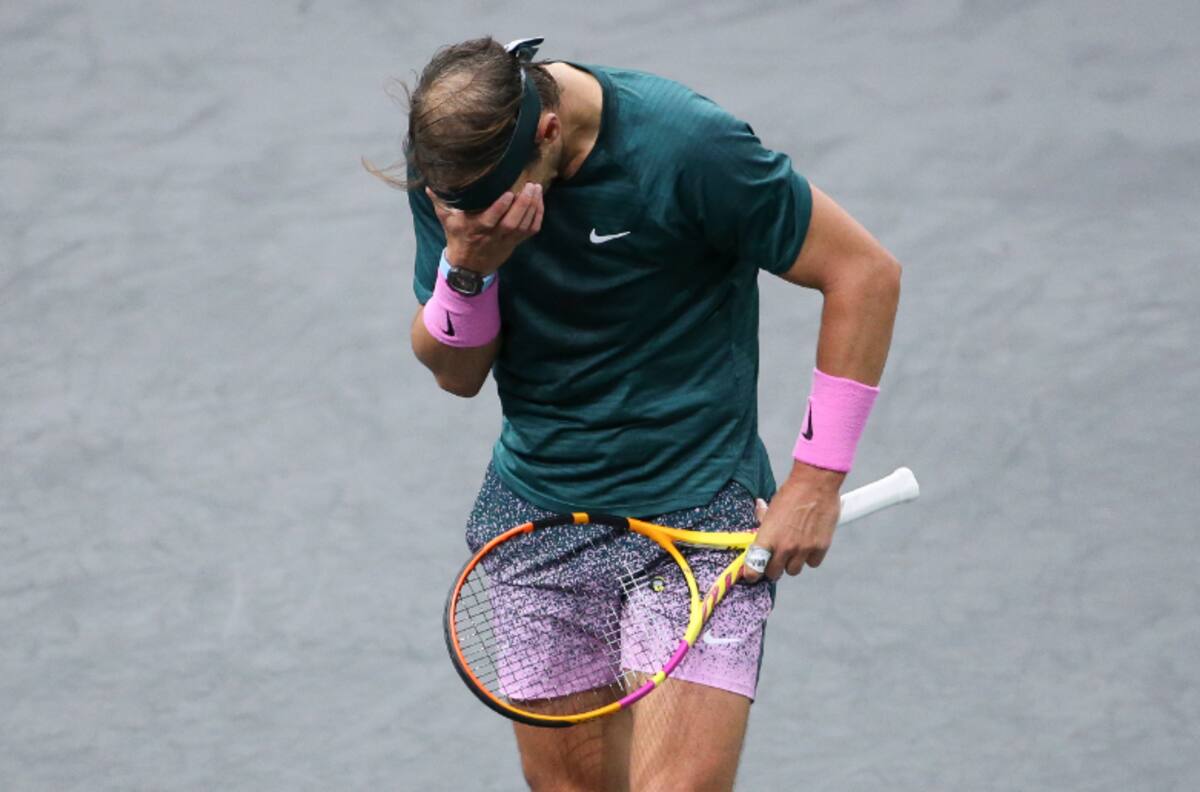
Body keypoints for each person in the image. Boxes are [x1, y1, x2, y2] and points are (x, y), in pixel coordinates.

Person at [375, 36, 901, 792]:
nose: (472, 213)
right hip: (537, 522)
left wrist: (815, 481)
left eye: (486, 199)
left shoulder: (690, 147)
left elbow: (864, 271)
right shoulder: (454, 178)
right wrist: (467, 268)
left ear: (548, 135)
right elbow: (457, 374)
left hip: (700, 513)